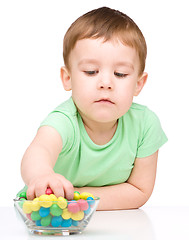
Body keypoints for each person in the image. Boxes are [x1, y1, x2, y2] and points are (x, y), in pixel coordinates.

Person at [20, 7, 168, 210]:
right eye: (91, 71)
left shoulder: (145, 125)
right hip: (52, 217)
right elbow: (39, 151)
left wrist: (75, 201)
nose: (106, 83)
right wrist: (41, 176)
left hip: (114, 224)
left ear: (138, 84)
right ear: (68, 78)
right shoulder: (64, 121)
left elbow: (139, 190)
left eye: (120, 73)